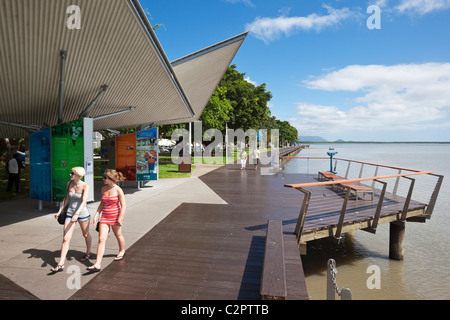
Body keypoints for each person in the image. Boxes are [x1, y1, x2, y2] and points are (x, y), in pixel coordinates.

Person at [51, 167, 91, 272]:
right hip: (70, 213)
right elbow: (66, 198)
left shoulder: (85, 186)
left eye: (72, 173)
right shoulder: (69, 183)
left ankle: (88, 252)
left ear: (78, 175)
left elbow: (84, 201)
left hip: (82, 213)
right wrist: (59, 211)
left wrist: (77, 214)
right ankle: (61, 263)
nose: (70, 174)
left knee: (85, 234)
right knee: (66, 238)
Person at [88, 169, 126, 271]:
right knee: (101, 239)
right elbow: (102, 204)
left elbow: (123, 206)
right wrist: (96, 215)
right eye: (103, 177)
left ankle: (122, 250)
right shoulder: (104, 189)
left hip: (115, 216)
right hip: (104, 216)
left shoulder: (118, 190)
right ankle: (97, 264)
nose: (103, 179)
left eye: (105, 178)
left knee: (118, 235)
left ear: (111, 179)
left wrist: (120, 218)